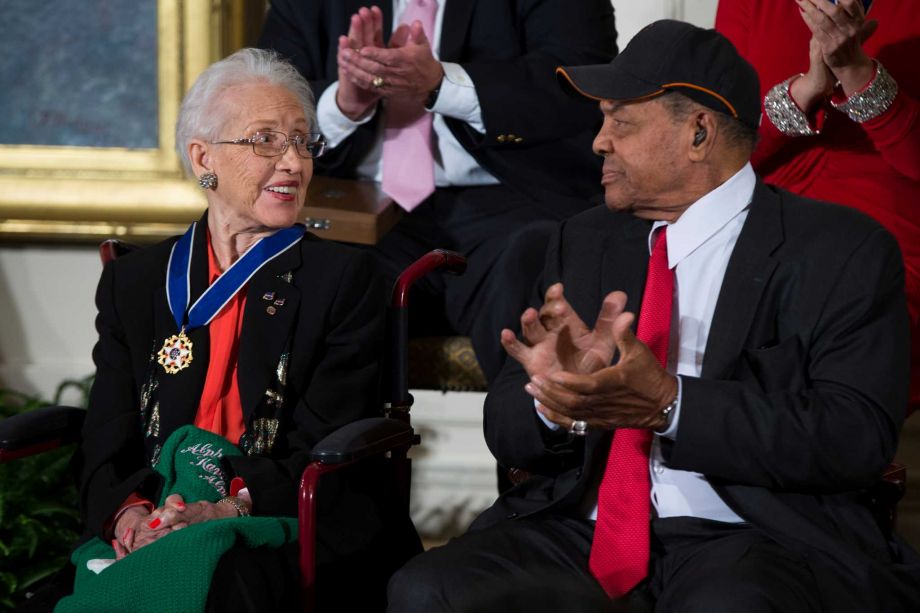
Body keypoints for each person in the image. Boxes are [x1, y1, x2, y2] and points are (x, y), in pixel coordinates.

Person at [386, 20, 920, 612]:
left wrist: (671, 405)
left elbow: (853, 438)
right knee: (427, 589)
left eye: (622, 120)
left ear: (698, 132)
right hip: (580, 527)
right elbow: (506, 431)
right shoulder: (580, 241)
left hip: (755, 533)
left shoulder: (838, 250)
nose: (599, 141)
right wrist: (552, 399)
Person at [58, 48, 416, 612]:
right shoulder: (136, 282)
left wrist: (220, 509)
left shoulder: (343, 280)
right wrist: (133, 516)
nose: (294, 162)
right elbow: (109, 433)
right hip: (155, 515)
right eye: (265, 140)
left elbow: (327, 442)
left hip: (285, 516)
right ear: (205, 159)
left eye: (302, 141)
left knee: (227, 580)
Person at [258, 0, 618, 381]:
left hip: (514, 205)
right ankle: (329, 441)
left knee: (542, 265)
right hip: (362, 209)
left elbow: (580, 81)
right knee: (314, 287)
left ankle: (541, 430)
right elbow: (266, 95)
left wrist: (442, 84)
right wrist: (344, 104)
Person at [715, 0, 920, 414]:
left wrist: (858, 74)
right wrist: (804, 92)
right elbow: (720, 149)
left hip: (892, 250)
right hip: (763, 239)